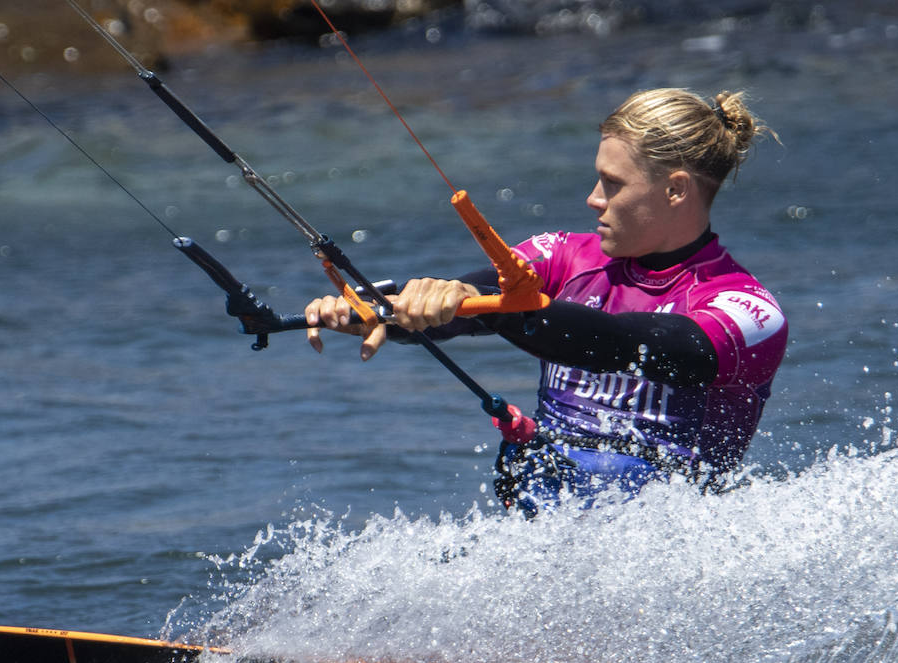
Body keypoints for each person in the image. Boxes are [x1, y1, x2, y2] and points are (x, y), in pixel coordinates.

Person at [305, 88, 787, 513]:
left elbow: (623, 344)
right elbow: (474, 298)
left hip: (664, 552)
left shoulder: (745, 309)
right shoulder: (565, 254)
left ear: (676, 189)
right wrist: (378, 311)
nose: (593, 198)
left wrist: (510, 312)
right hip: (546, 538)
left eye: (612, 183)